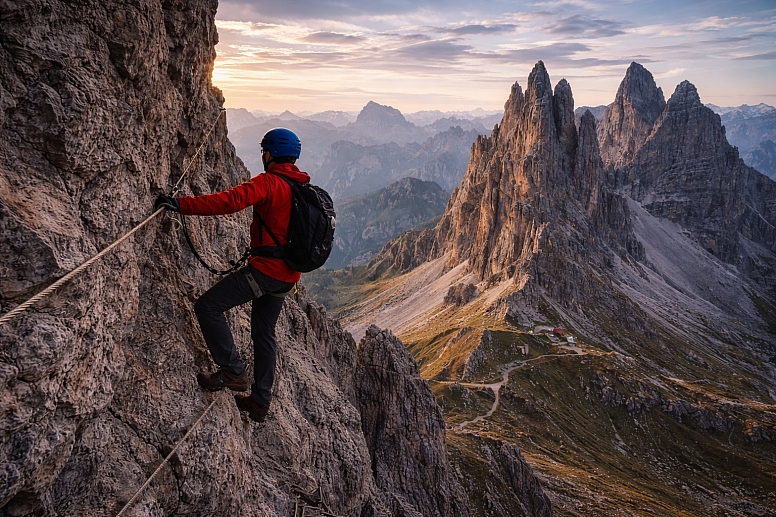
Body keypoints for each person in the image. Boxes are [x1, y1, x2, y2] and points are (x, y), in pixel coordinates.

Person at [154, 127, 308, 423]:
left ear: (270, 153)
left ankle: (233, 371)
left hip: (265, 272)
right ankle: (260, 402)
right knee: (264, 334)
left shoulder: (269, 183)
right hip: (288, 277)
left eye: (264, 150)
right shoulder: (301, 186)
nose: (262, 155)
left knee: (208, 306)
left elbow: (229, 201)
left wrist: (180, 204)